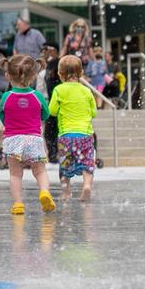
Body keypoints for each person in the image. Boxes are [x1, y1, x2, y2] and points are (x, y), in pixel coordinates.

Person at [0, 54, 56, 216]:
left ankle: (18, 204)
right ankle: (44, 192)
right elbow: (45, 115)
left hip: (13, 140)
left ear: (7, 75)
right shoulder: (37, 96)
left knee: (15, 174)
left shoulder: (6, 97)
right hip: (34, 139)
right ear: (33, 77)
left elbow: (3, 117)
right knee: (39, 171)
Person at [49, 55, 97, 202]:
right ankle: (87, 185)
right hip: (85, 134)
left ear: (60, 74)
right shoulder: (86, 91)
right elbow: (94, 112)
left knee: (65, 164)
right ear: (81, 73)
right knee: (87, 162)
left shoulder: (58, 90)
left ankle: (66, 192)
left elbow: (52, 111)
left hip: (66, 135)